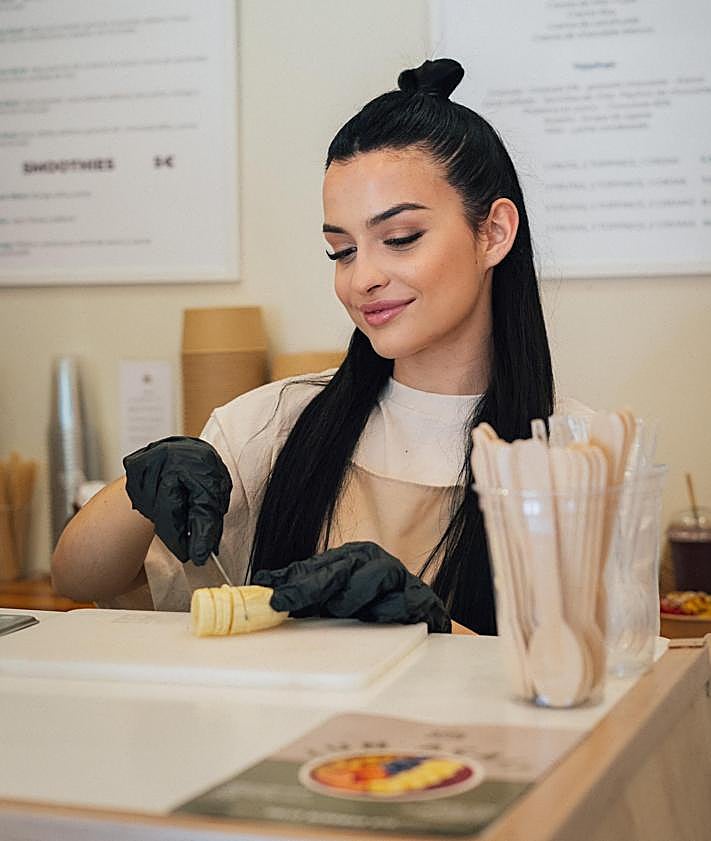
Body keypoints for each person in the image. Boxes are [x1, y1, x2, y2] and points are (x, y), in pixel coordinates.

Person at [52, 58, 581, 634]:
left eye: (400, 239)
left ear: (494, 232)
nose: (362, 279)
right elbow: (78, 580)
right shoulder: (273, 424)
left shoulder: (581, 455)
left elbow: (594, 686)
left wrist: (436, 627)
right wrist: (139, 488)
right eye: (343, 250)